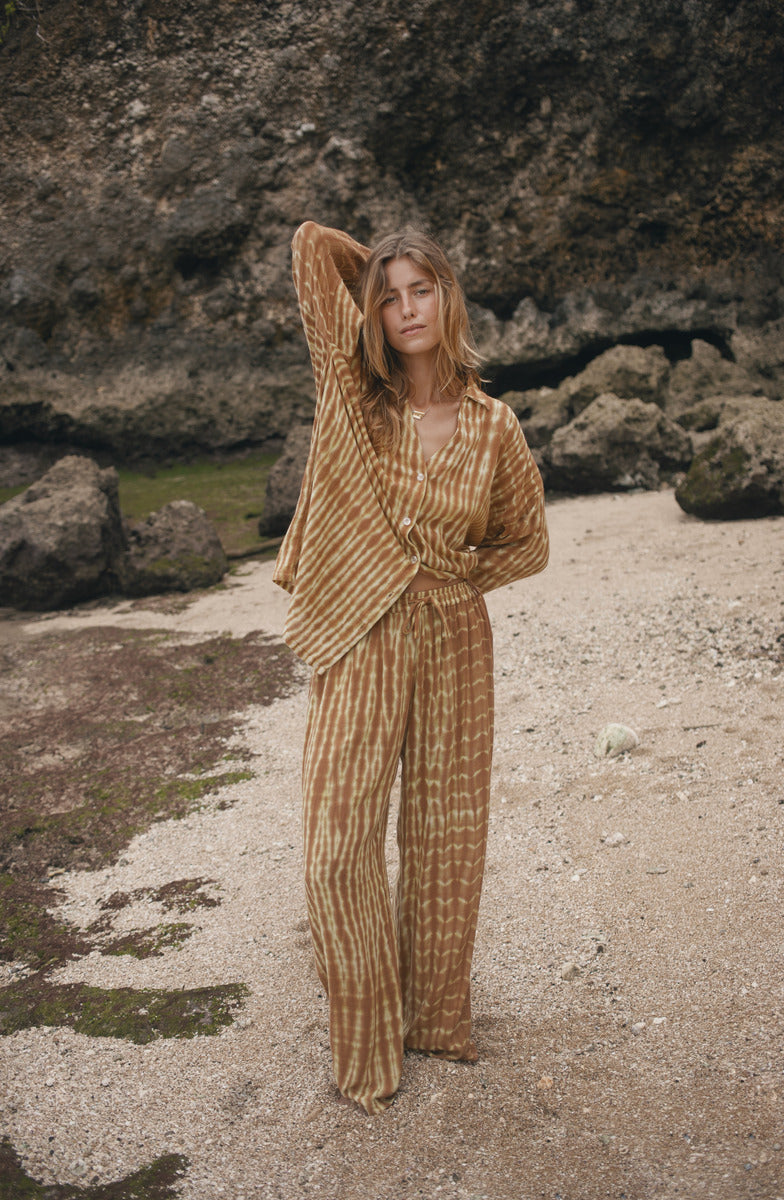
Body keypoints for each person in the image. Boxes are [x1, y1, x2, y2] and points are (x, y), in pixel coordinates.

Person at [273, 220, 549, 1114]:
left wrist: (454, 580)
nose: (404, 309)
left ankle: (436, 1017)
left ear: (449, 296)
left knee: (444, 837)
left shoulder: (493, 423)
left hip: (454, 637)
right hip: (359, 629)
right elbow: (314, 250)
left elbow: (526, 542)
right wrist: (380, 260)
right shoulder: (355, 398)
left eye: (421, 288)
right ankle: (367, 1036)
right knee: (337, 844)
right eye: (388, 296)